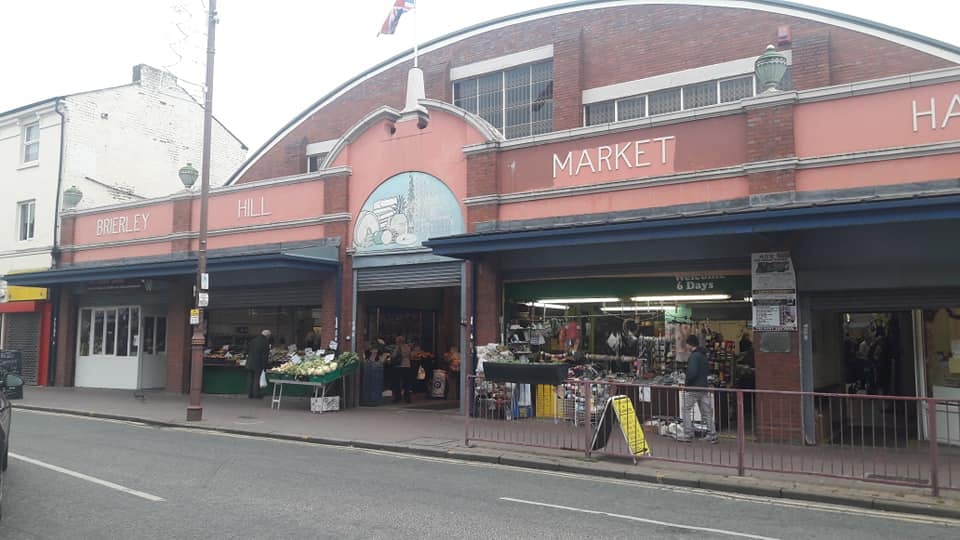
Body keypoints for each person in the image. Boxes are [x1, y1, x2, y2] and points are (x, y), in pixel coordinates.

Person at [679, 335, 717, 443]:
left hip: (693, 388)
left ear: (690, 344)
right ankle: (712, 433)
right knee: (706, 412)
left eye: (687, 344)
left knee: (685, 409)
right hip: (703, 387)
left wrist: (687, 383)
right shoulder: (703, 356)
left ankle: (688, 433)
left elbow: (692, 372)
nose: (686, 346)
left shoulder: (694, 356)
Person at [245, 329, 271, 399]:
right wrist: (265, 366)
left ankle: (250, 394)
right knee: (257, 379)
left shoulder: (253, 340)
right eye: (269, 336)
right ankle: (256, 394)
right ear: (267, 335)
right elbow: (265, 355)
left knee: (250, 378)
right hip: (258, 363)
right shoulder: (265, 342)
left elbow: (246, 350)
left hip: (250, 362)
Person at [391, 335, 414, 403]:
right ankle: (407, 398)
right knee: (406, 383)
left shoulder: (397, 347)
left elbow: (393, 356)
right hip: (406, 366)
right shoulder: (408, 347)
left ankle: (398, 397)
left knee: (397, 383)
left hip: (398, 366)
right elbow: (410, 356)